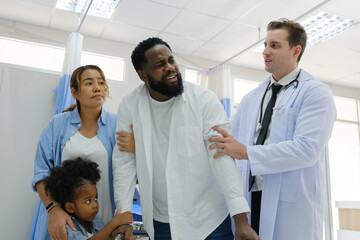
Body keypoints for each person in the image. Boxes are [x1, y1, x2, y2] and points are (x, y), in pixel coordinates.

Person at [112, 37, 259, 240]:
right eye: (160, 65)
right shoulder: (130, 105)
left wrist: (240, 220)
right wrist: (124, 217)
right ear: (142, 75)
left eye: (171, 60)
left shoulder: (203, 99)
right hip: (160, 222)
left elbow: (222, 157)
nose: (170, 67)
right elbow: (124, 163)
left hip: (209, 220)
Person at [208, 19, 336, 240]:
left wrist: (246, 152)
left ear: (296, 50)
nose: (266, 51)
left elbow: (306, 149)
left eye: (274, 46)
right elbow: (226, 139)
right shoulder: (252, 98)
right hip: (252, 198)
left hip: (291, 206)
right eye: (265, 45)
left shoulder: (315, 93)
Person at [31, 65, 134, 240]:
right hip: (66, 224)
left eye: (101, 82)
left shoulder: (117, 123)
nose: (97, 87)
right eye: (89, 83)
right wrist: (53, 209)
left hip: (106, 222)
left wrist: (136, 147)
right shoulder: (58, 125)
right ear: (75, 92)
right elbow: (41, 174)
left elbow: (129, 170)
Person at [44, 158, 134, 240]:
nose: (95, 204)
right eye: (88, 201)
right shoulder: (67, 228)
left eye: (96, 198)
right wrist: (113, 223)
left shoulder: (97, 224)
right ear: (70, 207)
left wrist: (116, 235)